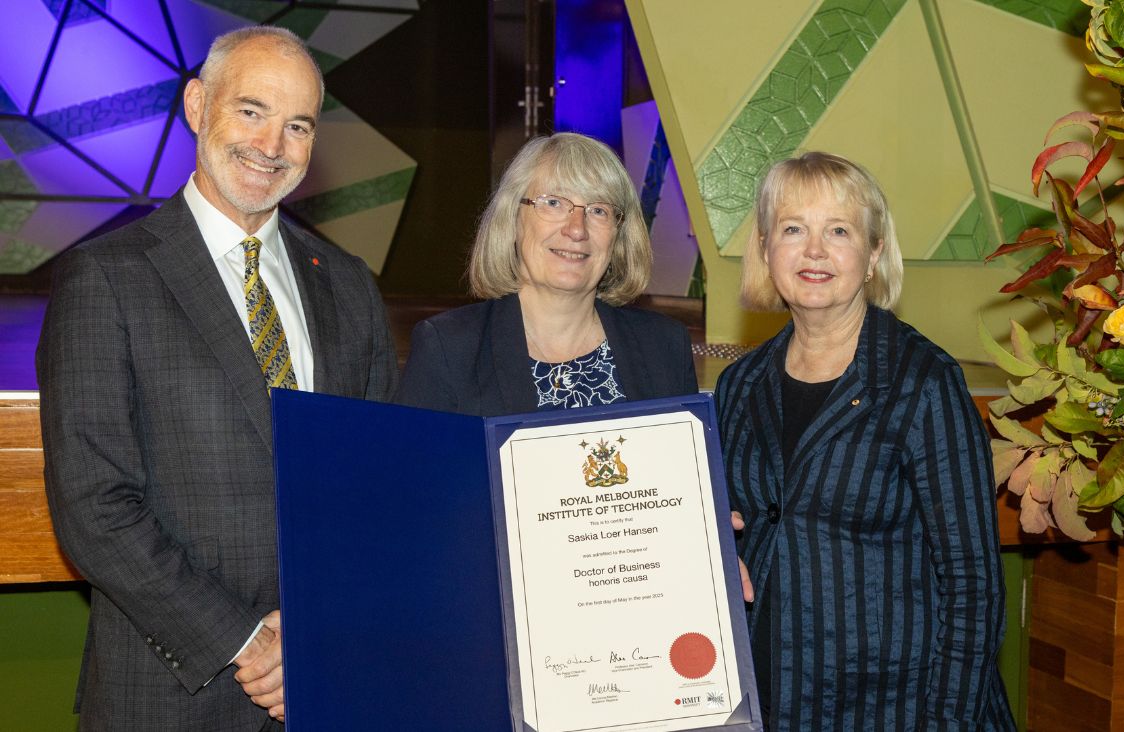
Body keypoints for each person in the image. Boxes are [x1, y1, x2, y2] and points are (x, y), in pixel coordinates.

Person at [37, 27, 397, 729]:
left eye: (297, 125)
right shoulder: (107, 277)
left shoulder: (350, 286)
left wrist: (324, 631)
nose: (271, 145)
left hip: (326, 684)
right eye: (252, 111)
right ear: (198, 105)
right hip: (172, 694)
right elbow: (95, 507)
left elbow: (378, 485)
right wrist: (252, 642)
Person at [715, 152, 1013, 730]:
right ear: (766, 248)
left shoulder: (923, 382)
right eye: (793, 229)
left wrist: (946, 723)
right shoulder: (739, 386)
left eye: (840, 231)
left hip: (895, 710)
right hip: (767, 704)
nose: (815, 251)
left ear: (874, 253)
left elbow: (974, 585)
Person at [394, 132, 697, 415]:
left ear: (618, 236)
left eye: (598, 210)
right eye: (553, 203)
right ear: (512, 220)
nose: (577, 229)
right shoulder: (448, 349)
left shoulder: (665, 346)